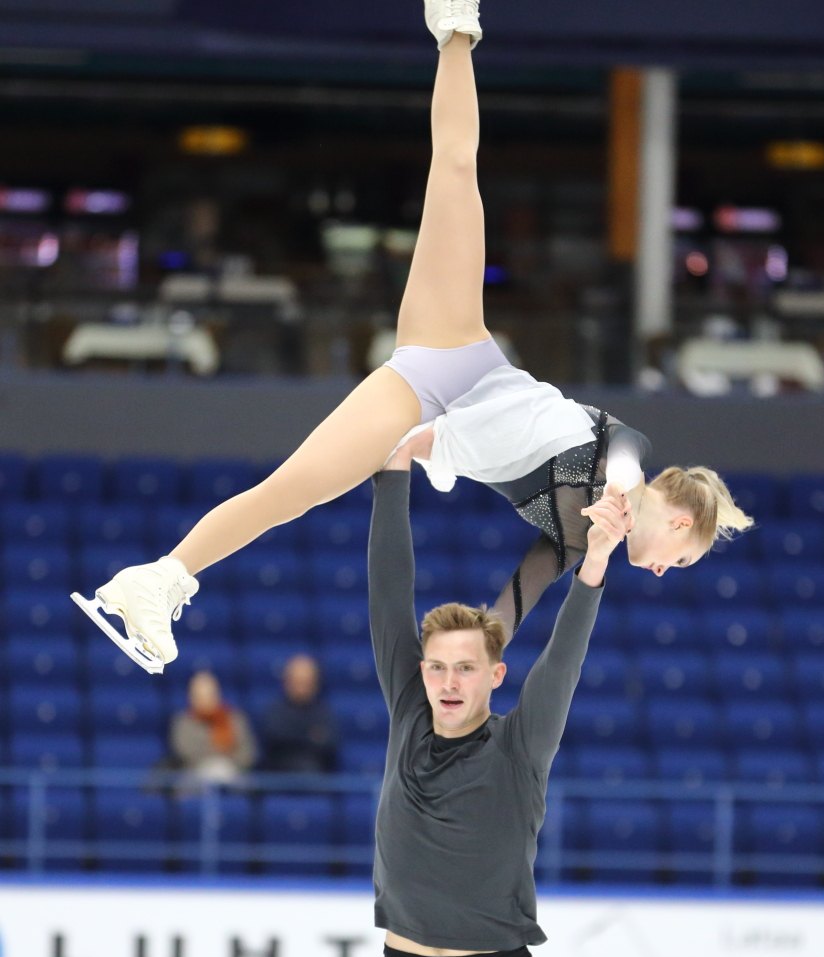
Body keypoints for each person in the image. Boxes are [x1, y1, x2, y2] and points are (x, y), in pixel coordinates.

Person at [72, 0, 752, 672]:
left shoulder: (578, 541)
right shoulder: (629, 459)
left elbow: (516, 598)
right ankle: (455, 25)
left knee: (294, 490)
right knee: (455, 170)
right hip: (459, 351)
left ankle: (158, 579)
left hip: (421, 410)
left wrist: (479, 657)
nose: (663, 570)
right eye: (680, 558)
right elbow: (627, 458)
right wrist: (615, 498)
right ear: (681, 522)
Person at [335, 401, 630, 957]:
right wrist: (390, 476)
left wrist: (594, 569)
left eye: (468, 667)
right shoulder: (404, 715)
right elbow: (390, 590)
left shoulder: (521, 742)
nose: (450, 680)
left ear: (494, 675)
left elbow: (566, 657)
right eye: (437, 666)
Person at [168, 669, 257, 786]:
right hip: (195, 777)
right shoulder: (183, 723)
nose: (205, 700)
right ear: (191, 697)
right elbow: (185, 752)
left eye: (209, 695)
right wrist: (219, 755)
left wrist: (226, 763)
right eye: (199, 696)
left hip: (234, 774)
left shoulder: (235, 719)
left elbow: (248, 753)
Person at [260, 652, 339, 773]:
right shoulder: (274, 711)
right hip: (278, 777)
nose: (301, 688)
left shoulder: (325, 713)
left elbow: (330, 742)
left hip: (317, 779)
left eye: (306, 683)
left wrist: (292, 735)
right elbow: (274, 736)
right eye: (297, 682)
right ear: (286, 682)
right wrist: (310, 736)